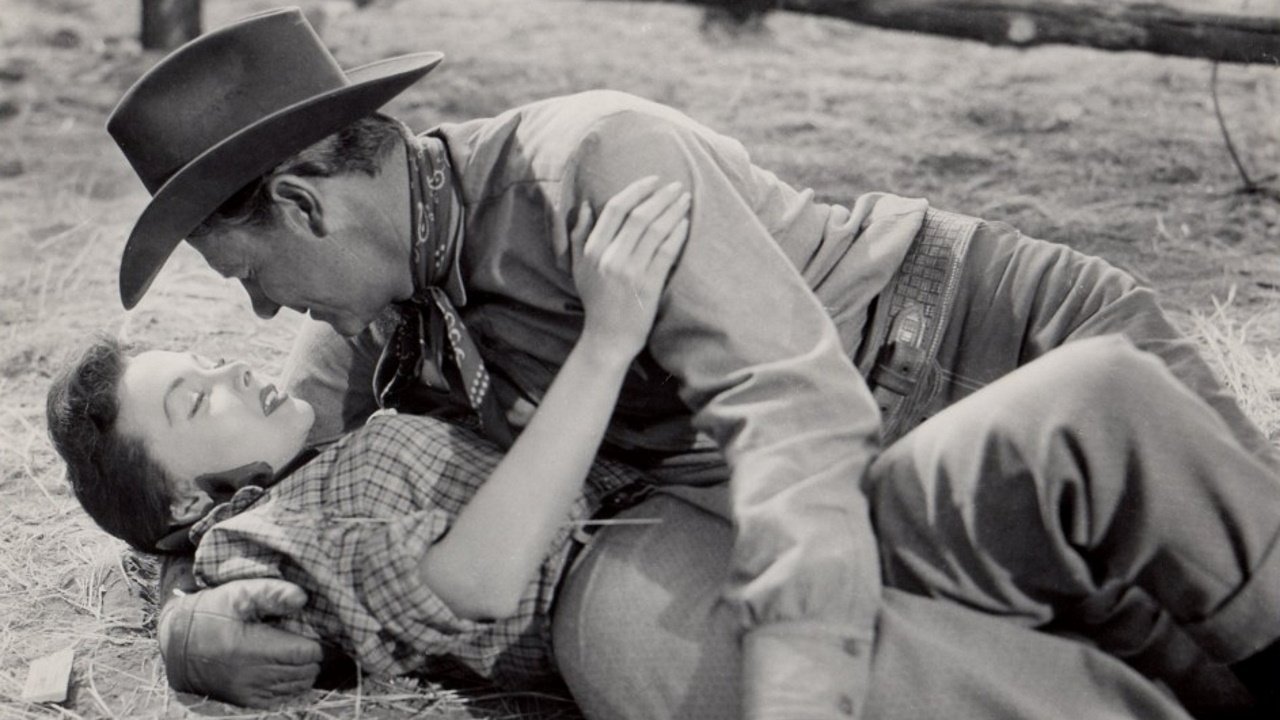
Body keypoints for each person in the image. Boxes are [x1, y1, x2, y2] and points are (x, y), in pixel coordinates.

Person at [103, 7, 1280, 716]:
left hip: (983, 350)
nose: (258, 312)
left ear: (305, 206)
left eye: (243, 274)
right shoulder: (369, 308)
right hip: (886, 472)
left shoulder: (594, 165)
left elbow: (795, 427)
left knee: (1230, 649)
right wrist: (187, 630)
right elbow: (231, 497)